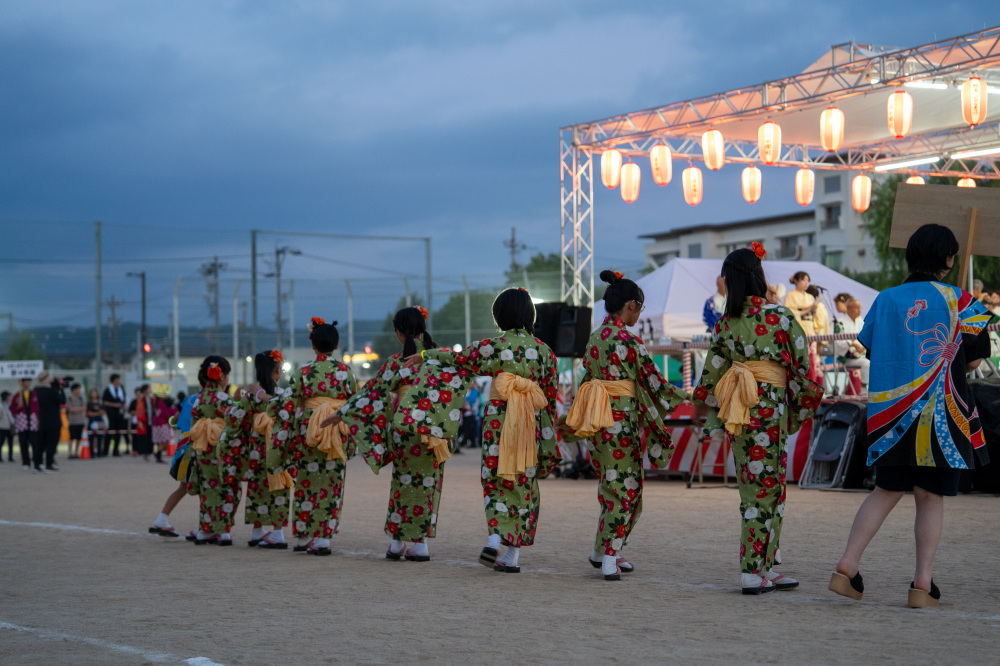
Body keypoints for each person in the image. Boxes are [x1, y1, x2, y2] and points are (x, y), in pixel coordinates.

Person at [830, 224, 994, 609]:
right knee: (930, 495)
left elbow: (872, 347)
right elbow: (973, 359)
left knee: (885, 490)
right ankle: (922, 584)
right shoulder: (963, 301)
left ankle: (847, 564)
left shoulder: (885, 300)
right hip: (944, 416)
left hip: (890, 417)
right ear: (949, 260)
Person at [398, 288, 560, 574]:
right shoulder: (545, 351)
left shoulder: (493, 346)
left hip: (499, 418)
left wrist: (426, 354)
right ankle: (512, 555)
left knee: (496, 474)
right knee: (524, 478)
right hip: (530, 421)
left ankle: (495, 536)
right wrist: (548, 432)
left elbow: (459, 359)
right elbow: (550, 394)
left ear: (499, 316)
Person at [693, 243, 822, 595]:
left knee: (760, 487)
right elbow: (801, 367)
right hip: (771, 411)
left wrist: (703, 411)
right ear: (759, 277)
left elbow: (712, 375)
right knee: (767, 489)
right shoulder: (780, 318)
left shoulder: (724, 324)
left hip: (739, 410)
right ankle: (752, 569)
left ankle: (766, 564)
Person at [565, 270, 688, 580]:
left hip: (597, 421)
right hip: (619, 421)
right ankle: (610, 556)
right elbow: (654, 381)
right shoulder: (627, 340)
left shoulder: (595, 337)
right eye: (640, 307)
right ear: (631, 305)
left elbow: (587, 379)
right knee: (626, 489)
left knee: (610, 487)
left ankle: (600, 551)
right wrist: (689, 397)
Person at [325, 306, 450, 562]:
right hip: (433, 430)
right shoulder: (440, 358)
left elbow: (373, 392)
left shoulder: (397, 362)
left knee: (403, 482)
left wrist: (344, 412)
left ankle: (396, 542)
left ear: (400, 333)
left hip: (405, 429)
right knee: (428, 484)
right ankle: (420, 545)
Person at [267, 318, 357, 556]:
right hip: (336, 430)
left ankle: (304, 536)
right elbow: (354, 405)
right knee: (331, 484)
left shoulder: (303, 372)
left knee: (305, 481)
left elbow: (288, 405)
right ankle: (323, 538)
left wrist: (271, 405)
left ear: (313, 346)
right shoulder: (346, 372)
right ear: (336, 346)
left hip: (308, 431)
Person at [217, 350, 292, 549]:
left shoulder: (251, 396)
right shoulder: (282, 395)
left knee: (257, 488)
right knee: (279, 488)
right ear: (276, 370)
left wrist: (234, 401)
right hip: (278, 446)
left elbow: (233, 419)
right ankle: (277, 533)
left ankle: (257, 531)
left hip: (256, 450)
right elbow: (290, 415)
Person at [188, 356, 237, 545]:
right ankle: (223, 531)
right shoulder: (225, 399)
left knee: (208, 489)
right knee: (228, 487)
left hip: (203, 448)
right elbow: (235, 423)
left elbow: (193, 426)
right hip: (223, 450)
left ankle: (205, 530)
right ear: (222, 376)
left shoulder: (198, 400)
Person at [34, 371, 66, 472]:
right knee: (52, 445)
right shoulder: (52, 391)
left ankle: (37, 464)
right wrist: (61, 389)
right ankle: (49, 464)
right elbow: (62, 400)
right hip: (54, 422)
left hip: (41, 421)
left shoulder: (36, 390)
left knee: (40, 445)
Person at [10, 378, 39, 469]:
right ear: (22, 383)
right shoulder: (17, 395)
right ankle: (25, 462)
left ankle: (36, 460)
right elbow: (17, 407)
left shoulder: (34, 394)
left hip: (33, 420)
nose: (27, 383)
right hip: (22, 421)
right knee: (23, 442)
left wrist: (38, 419)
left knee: (35, 442)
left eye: (29, 381)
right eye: (25, 381)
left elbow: (38, 408)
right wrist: (20, 387)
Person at [102, 374, 128, 457]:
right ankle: (105, 450)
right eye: (117, 379)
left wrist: (123, 407)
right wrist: (115, 405)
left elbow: (123, 401)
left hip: (119, 414)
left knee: (118, 432)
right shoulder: (108, 390)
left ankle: (115, 450)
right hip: (110, 414)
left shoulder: (121, 389)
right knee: (109, 432)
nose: (118, 381)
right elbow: (105, 402)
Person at [152, 396, 177, 464]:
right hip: (162, 424)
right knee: (164, 441)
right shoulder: (162, 404)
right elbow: (166, 414)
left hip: (156, 425)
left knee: (161, 441)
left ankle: (158, 454)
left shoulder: (156, 403)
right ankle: (158, 455)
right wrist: (172, 421)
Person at [133, 385, 155, 461]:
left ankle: (150, 451)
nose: (149, 390)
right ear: (145, 390)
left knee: (151, 437)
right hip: (144, 421)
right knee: (144, 437)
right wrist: (139, 421)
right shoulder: (141, 400)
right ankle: (145, 452)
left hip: (152, 420)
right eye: (148, 389)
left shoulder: (153, 399)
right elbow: (139, 411)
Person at [65, 383, 86, 459]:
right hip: (71, 422)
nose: (79, 390)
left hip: (80, 421)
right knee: (71, 438)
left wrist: (75, 409)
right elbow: (69, 409)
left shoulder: (81, 399)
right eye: (77, 389)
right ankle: (70, 453)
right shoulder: (69, 399)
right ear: (73, 390)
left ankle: (76, 452)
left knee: (78, 438)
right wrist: (78, 409)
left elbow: (83, 408)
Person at [86, 388, 107, 458]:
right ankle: (91, 453)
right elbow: (89, 414)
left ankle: (99, 452)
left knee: (100, 438)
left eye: (95, 393)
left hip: (99, 421)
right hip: (92, 421)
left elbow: (103, 412)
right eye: (93, 393)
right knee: (91, 438)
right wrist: (98, 413)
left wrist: (97, 411)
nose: (94, 394)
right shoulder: (89, 403)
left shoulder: (100, 403)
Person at [0, 391, 15, 463]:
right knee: (1, 442)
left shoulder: (11, 405)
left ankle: (10, 457)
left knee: (11, 442)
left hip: (10, 426)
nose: (10, 397)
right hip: (3, 426)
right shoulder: (1, 406)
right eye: (9, 396)